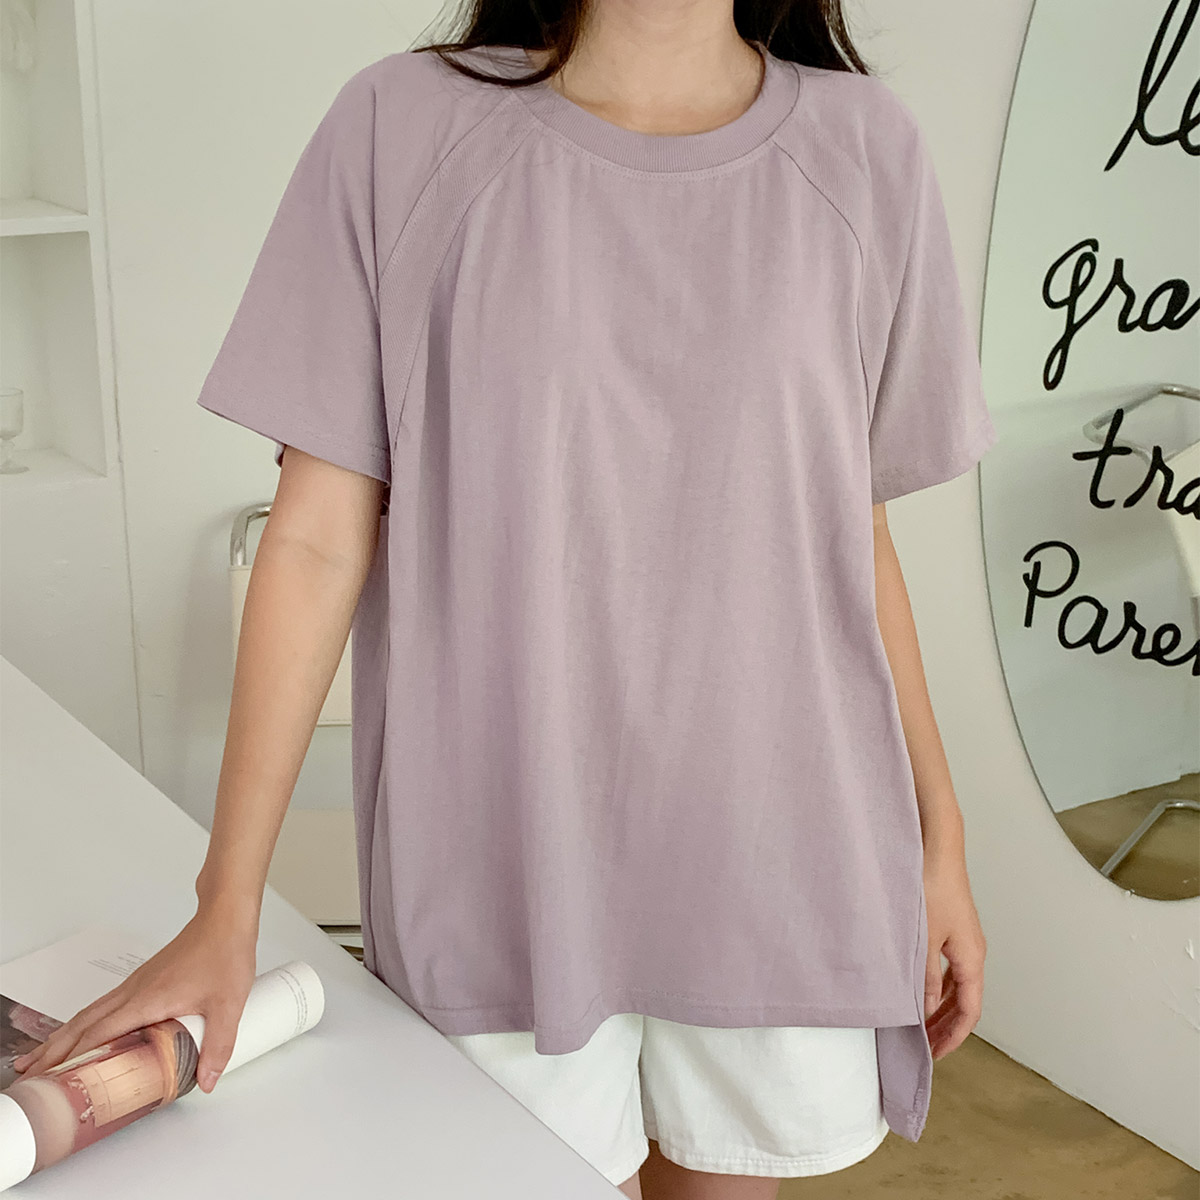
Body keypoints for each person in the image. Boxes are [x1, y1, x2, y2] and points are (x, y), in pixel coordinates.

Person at [12, 3, 995, 1197]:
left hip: (782, 855)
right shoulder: (401, 127)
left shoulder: (867, 149)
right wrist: (227, 907)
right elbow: (316, 542)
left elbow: (852, 533)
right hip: (500, 867)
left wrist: (939, 834)